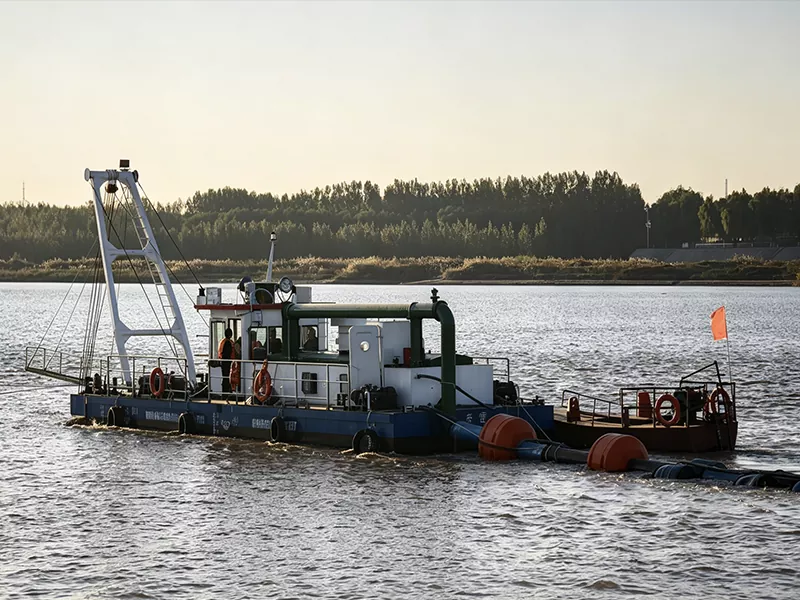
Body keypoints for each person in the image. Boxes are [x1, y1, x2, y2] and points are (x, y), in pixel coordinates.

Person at [218, 327, 235, 392]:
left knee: (225, 378)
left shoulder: (223, 341)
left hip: (223, 362)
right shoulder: (227, 343)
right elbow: (227, 354)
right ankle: (226, 392)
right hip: (226, 363)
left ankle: (226, 391)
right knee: (226, 378)